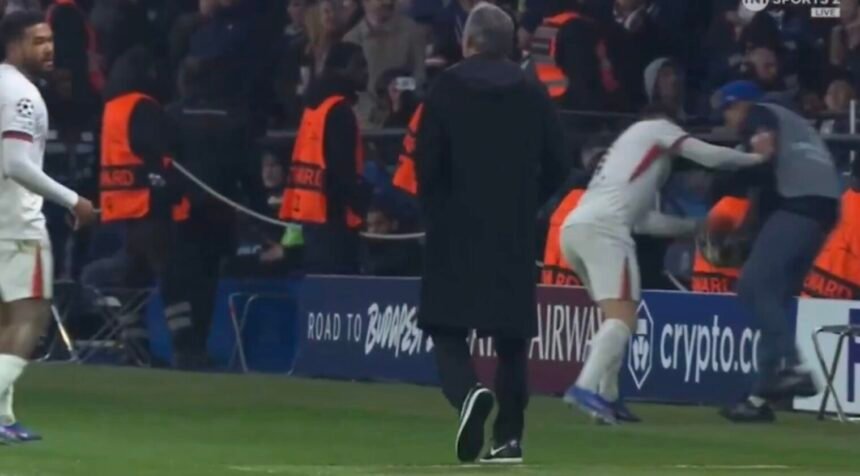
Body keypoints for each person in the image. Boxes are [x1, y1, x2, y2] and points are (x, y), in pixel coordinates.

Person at [415, 3, 565, 463]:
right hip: (512, 230)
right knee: (512, 338)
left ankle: (467, 395)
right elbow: (560, 163)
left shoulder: (446, 88)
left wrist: (437, 210)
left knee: (445, 327)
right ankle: (509, 438)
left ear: (469, 41)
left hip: (454, 228)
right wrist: (525, 201)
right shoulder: (531, 91)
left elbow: (427, 163)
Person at [560, 103, 770, 425]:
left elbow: (644, 222)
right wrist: (757, 158)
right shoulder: (654, 128)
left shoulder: (628, 158)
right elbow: (711, 157)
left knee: (617, 318)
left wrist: (696, 227)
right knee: (624, 319)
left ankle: (609, 396)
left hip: (576, 228)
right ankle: (584, 387)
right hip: (606, 231)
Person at [716, 80, 843, 423]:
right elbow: (769, 192)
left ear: (738, 105)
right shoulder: (795, 127)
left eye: (726, 111)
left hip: (800, 205)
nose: (728, 121)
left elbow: (762, 154)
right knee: (772, 299)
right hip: (824, 209)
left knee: (751, 286)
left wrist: (722, 173)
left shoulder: (760, 113)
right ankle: (759, 398)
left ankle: (791, 366)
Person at [0, 10, 96, 442]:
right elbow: (17, 164)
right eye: (38, 40)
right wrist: (72, 199)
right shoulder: (21, 94)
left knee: (5, 321)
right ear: (15, 45)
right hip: (16, 223)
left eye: (50, 38)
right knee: (32, 316)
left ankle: (3, 418)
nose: (49, 48)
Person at [164, 57, 265, 368]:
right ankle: (199, 345)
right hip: (220, 212)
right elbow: (250, 171)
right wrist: (258, 208)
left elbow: (162, 164)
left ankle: (183, 345)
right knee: (207, 280)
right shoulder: (235, 118)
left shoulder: (172, 116)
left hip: (180, 212)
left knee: (178, 279)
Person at [279, 42, 372, 274]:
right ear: (341, 68)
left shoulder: (314, 106)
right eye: (359, 65)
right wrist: (362, 200)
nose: (366, 71)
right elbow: (342, 172)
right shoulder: (339, 111)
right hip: (335, 221)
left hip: (311, 215)